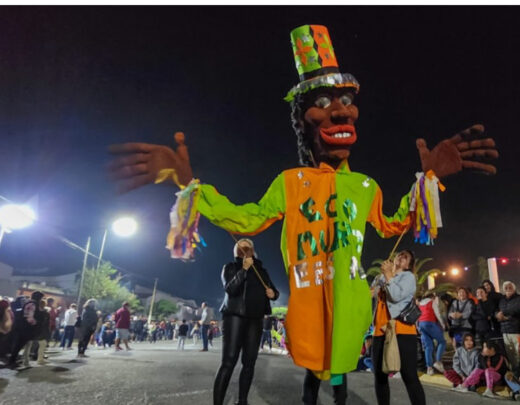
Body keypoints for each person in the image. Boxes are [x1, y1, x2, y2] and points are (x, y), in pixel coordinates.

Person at [108, 23, 497, 405]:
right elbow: (246, 219)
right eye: (325, 104)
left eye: (347, 102)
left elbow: (396, 223)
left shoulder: (365, 186)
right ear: (302, 119)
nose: (342, 114)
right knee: (313, 376)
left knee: (341, 377)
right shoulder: (290, 182)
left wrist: (427, 180)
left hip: (350, 307)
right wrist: (192, 186)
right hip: (308, 306)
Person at [213, 238, 280, 405]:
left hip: (255, 319)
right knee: (228, 362)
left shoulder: (262, 271)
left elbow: (273, 290)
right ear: (236, 252)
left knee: (249, 362)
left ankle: (242, 401)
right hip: (234, 316)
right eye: (241, 248)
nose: (245, 250)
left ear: (253, 251)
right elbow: (230, 289)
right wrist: (243, 269)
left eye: (248, 247)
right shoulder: (229, 267)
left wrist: (274, 294)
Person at [371, 250, 426, 405]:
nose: (401, 257)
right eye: (399, 254)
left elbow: (395, 296)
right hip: (379, 330)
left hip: (401, 330)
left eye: (405, 257)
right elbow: (369, 295)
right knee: (380, 376)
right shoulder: (380, 277)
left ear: (409, 265)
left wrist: (389, 275)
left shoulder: (408, 277)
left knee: (409, 375)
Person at [7, 291, 43, 368]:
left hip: (21, 327)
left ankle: (13, 361)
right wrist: (36, 323)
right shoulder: (32, 304)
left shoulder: (28, 302)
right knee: (19, 345)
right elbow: (29, 317)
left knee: (18, 345)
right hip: (25, 328)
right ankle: (11, 362)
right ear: (38, 298)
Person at [417, 291, 448, 375]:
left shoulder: (420, 304)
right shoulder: (432, 302)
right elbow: (437, 314)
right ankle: (438, 362)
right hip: (430, 323)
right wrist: (443, 325)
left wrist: (418, 327)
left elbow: (417, 316)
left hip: (421, 325)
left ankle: (429, 368)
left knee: (428, 347)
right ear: (432, 297)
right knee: (442, 341)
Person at [496, 281, 520, 368]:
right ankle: (514, 372)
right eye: (506, 288)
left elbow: (517, 309)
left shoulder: (519, 298)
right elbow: (497, 310)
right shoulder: (502, 300)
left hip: (516, 330)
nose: (508, 289)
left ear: (514, 289)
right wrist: (497, 315)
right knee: (510, 354)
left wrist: (504, 315)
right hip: (504, 330)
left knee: (518, 353)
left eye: (510, 287)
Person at [24, 298, 50, 366]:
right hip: (39, 331)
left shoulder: (33, 311)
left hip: (30, 330)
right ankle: (40, 360)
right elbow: (45, 324)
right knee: (42, 344)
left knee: (28, 345)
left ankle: (26, 361)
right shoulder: (45, 313)